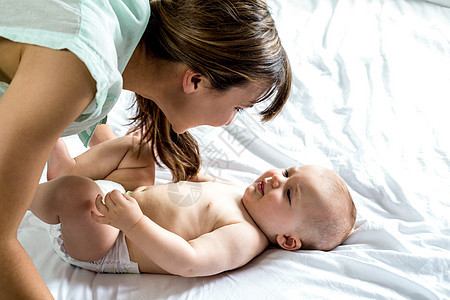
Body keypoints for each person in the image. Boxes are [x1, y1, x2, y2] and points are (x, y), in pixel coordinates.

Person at [0, 0, 291, 297]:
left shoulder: (125, 20)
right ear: (196, 81)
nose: (229, 121)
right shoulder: (75, 70)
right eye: (238, 108)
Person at [29, 136, 356, 276]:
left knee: (78, 194)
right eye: (286, 173)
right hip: (124, 201)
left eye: (287, 193)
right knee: (139, 148)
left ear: (287, 240)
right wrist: (181, 160)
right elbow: (197, 184)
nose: (275, 179)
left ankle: (22, 191)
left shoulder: (244, 236)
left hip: (107, 242)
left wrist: (133, 224)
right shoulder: (241, 196)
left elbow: (188, 261)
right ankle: (67, 166)